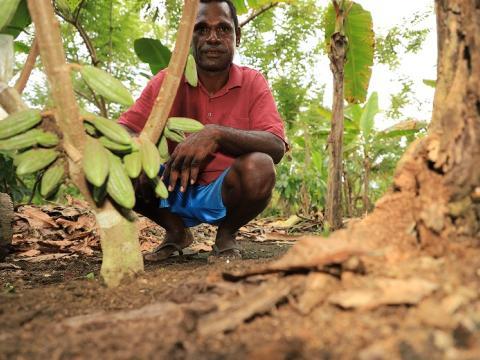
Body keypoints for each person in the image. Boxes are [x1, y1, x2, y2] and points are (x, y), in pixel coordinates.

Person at [118, 0, 287, 261]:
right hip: (170, 187)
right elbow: (124, 130)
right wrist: (139, 152)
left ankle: (226, 234)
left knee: (261, 166)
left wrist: (216, 133)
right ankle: (175, 231)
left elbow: (275, 145)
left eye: (223, 29)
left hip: (225, 191)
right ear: (189, 37)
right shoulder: (167, 81)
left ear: (237, 36)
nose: (212, 38)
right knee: (119, 161)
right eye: (201, 29)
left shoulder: (253, 82)